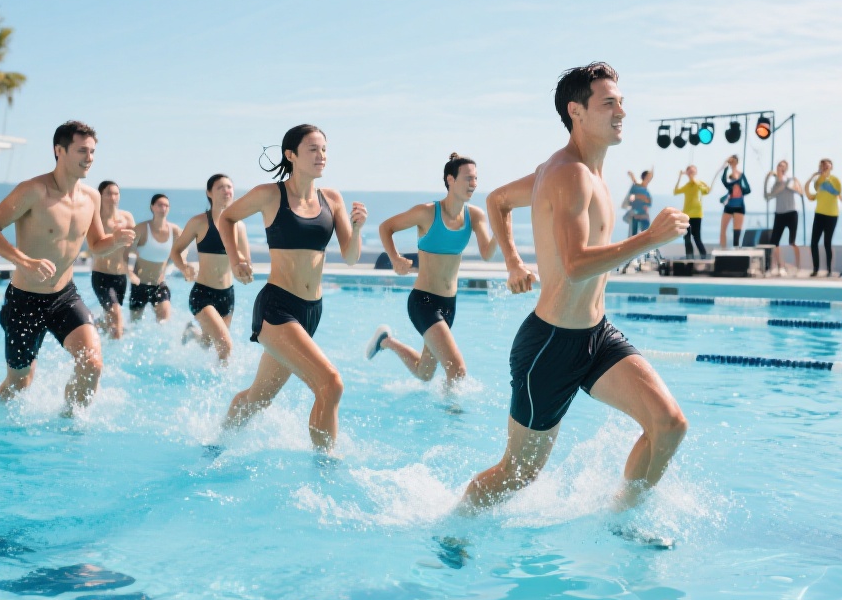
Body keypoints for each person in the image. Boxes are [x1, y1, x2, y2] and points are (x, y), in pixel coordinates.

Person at [458, 63, 690, 514]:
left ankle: (622, 519)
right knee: (518, 474)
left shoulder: (587, 171)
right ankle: (455, 524)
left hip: (596, 334)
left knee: (668, 424)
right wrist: (650, 239)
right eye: (608, 102)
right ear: (576, 111)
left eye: (621, 101)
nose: (620, 110)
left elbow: (498, 200)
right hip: (550, 344)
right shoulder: (569, 174)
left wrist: (514, 261)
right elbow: (577, 264)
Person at [219, 124, 367, 452]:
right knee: (331, 385)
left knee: (259, 397)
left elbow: (351, 257)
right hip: (278, 308)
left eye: (324, 149)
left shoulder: (333, 199)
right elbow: (226, 218)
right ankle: (325, 467)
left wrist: (356, 230)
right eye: (313, 149)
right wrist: (236, 258)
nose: (321, 156)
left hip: (311, 311)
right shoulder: (270, 194)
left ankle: (218, 442)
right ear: (292, 155)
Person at [0, 121, 135, 411]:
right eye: (82, 150)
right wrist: (24, 260)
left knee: (93, 364)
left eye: (93, 151)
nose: (90, 158)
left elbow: (96, 245)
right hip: (24, 300)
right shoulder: (33, 191)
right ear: (59, 150)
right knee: (20, 383)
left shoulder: (91, 198)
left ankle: (69, 425)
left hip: (64, 297)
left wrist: (116, 241)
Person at [364, 153, 497, 385]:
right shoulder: (427, 212)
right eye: (468, 178)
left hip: (449, 305)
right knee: (457, 372)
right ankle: (451, 421)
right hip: (424, 302)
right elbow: (386, 227)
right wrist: (395, 258)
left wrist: (503, 225)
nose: (473, 184)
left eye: (476, 179)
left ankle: (385, 341)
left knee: (424, 372)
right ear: (451, 180)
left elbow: (487, 254)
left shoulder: (475, 216)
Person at [170, 174, 249, 362]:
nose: (226, 190)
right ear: (209, 193)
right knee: (225, 346)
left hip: (227, 296)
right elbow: (176, 250)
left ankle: (191, 332)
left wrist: (245, 271)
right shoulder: (199, 222)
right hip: (203, 294)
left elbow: (246, 260)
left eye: (229, 187)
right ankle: (221, 388)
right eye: (220, 187)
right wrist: (183, 267)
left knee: (209, 344)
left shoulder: (239, 226)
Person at [91, 180, 136, 339]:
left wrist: (132, 269)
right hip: (102, 276)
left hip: (120, 278)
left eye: (116, 193)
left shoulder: (127, 218)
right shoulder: (95, 219)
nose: (113, 197)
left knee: (113, 323)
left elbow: (133, 246)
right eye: (108, 193)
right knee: (117, 320)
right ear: (100, 196)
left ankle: (94, 325)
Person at [129, 194, 182, 322]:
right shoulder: (141, 228)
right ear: (152, 207)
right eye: (160, 205)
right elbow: (129, 252)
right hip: (139, 285)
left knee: (163, 323)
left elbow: (181, 251)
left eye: (166, 206)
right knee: (134, 325)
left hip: (159, 285)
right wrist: (129, 272)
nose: (163, 208)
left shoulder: (174, 231)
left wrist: (178, 266)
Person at [764, 160, 804, 275]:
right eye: (779, 166)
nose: (780, 168)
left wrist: (791, 184)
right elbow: (769, 195)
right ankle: (780, 266)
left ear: (785, 169)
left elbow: (799, 191)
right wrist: (768, 179)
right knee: (774, 242)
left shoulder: (790, 179)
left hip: (791, 213)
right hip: (779, 214)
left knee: (793, 242)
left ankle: (798, 266)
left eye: (782, 166)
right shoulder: (776, 183)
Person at [804, 158, 842, 277]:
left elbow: (837, 192)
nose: (825, 167)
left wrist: (826, 178)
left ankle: (829, 270)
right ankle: (815, 269)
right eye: (823, 165)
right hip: (819, 214)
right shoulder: (818, 181)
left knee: (827, 242)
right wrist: (812, 178)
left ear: (831, 166)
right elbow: (812, 193)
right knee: (814, 242)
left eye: (827, 165)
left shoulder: (835, 180)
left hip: (832, 215)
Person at [674, 165, 710, 258]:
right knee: (686, 238)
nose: (690, 173)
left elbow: (706, 191)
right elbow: (676, 191)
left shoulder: (699, 183)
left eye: (692, 171)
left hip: (697, 214)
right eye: (689, 171)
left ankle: (704, 257)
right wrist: (680, 177)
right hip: (686, 215)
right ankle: (689, 258)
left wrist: (692, 178)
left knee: (697, 238)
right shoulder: (687, 185)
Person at [718, 155, 751, 248]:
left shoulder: (741, 175)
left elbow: (748, 189)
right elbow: (724, 181)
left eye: (734, 161)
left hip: (739, 206)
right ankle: (722, 251)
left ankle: (736, 251)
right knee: (723, 230)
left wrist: (739, 185)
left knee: (737, 231)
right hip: (729, 205)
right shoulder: (729, 176)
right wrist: (726, 167)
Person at [624, 169, 653, 236]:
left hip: (644, 216)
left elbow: (649, 203)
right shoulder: (636, 188)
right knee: (634, 236)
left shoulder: (646, 191)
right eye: (648, 177)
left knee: (646, 235)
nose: (649, 179)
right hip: (636, 216)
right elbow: (631, 199)